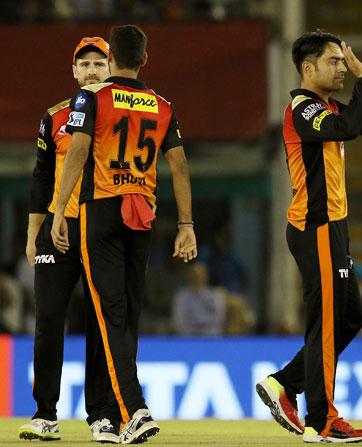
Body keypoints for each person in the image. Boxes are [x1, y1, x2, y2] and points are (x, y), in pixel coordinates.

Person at [51, 24, 197, 444]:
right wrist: (186, 224)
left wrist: (60, 208)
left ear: (111, 58)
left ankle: (133, 409)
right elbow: (180, 166)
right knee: (129, 313)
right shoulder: (161, 105)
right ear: (145, 60)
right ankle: (117, 412)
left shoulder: (91, 97)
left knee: (110, 312)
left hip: (100, 211)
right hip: (143, 215)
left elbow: (78, 149)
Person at [255, 30, 362, 443]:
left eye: (343, 61)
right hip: (315, 226)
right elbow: (347, 129)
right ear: (308, 67)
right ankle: (321, 419)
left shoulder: (323, 107)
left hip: (333, 227)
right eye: (334, 60)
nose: (342, 67)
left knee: (349, 318)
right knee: (326, 324)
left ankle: (284, 383)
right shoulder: (301, 109)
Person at [18, 36, 120, 443]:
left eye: (100, 63)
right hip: (58, 232)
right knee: (48, 323)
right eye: (86, 65)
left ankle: (101, 416)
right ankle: (45, 414)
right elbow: (42, 176)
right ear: (74, 72)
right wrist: (32, 236)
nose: (93, 70)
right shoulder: (54, 117)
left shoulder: (124, 114)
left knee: (101, 324)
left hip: (103, 233)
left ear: (111, 69)